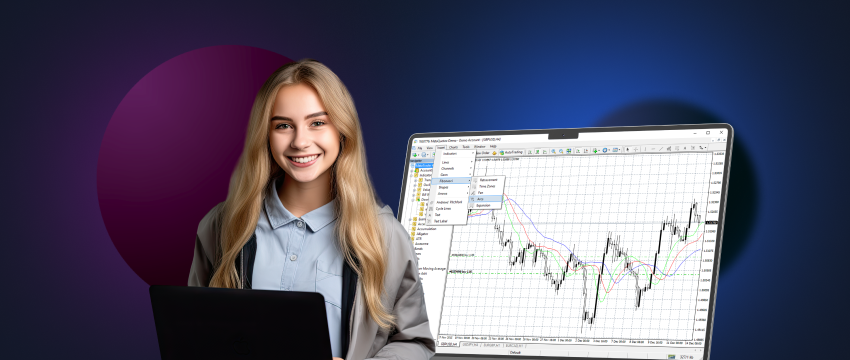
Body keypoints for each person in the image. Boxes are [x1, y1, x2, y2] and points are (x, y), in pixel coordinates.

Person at [188, 59, 435, 360]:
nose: (300, 141)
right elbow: (193, 334)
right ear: (265, 135)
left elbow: (416, 343)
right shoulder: (221, 226)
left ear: (342, 130)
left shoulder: (384, 236)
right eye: (283, 125)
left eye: (317, 122)